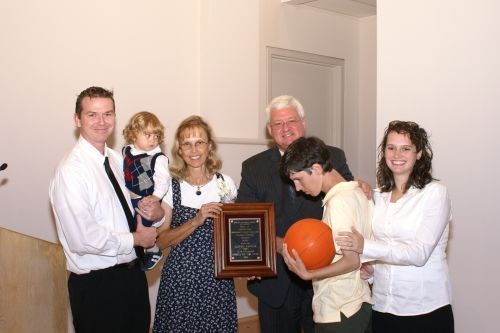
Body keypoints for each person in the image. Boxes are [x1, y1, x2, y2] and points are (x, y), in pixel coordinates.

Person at [237, 95, 356, 333]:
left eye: (291, 120)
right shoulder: (253, 167)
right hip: (276, 280)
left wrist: (361, 187)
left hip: (325, 280)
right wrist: (252, 257)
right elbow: (245, 222)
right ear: (270, 130)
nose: (285, 128)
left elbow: (350, 202)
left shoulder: (334, 156)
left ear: (303, 122)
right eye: (278, 124)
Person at [49, 86, 164, 333]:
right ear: (77, 119)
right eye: (92, 114)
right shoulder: (71, 171)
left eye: (108, 114)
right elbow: (83, 239)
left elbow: (137, 205)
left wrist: (157, 213)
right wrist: (136, 239)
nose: (101, 122)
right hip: (97, 286)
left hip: (132, 277)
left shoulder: (117, 159)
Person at [337, 120, 454, 333]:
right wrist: (372, 271)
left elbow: (419, 253)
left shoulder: (435, 193)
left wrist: (365, 247)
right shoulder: (378, 196)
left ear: (419, 153)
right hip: (382, 306)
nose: (396, 154)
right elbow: (387, 246)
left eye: (405, 148)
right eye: (391, 148)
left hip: (424, 309)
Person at [153, 115, 238, 333]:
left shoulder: (225, 184)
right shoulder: (172, 187)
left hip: (217, 280)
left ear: (209, 146)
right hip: (180, 280)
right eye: (187, 144)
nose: (194, 150)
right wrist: (196, 220)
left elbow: (235, 235)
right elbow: (161, 241)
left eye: (199, 142)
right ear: (179, 150)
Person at [280, 136, 373, 333]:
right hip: (356, 303)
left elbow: (351, 261)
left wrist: (308, 274)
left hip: (340, 310)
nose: (297, 188)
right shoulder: (357, 193)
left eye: (298, 179)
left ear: (316, 169)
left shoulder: (338, 202)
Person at [122, 111, 171, 270]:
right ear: (134, 134)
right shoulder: (126, 151)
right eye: (147, 135)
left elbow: (163, 181)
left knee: (143, 227)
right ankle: (136, 253)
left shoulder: (158, 158)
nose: (153, 140)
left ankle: (153, 250)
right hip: (129, 197)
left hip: (146, 198)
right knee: (128, 226)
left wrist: (155, 197)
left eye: (156, 136)